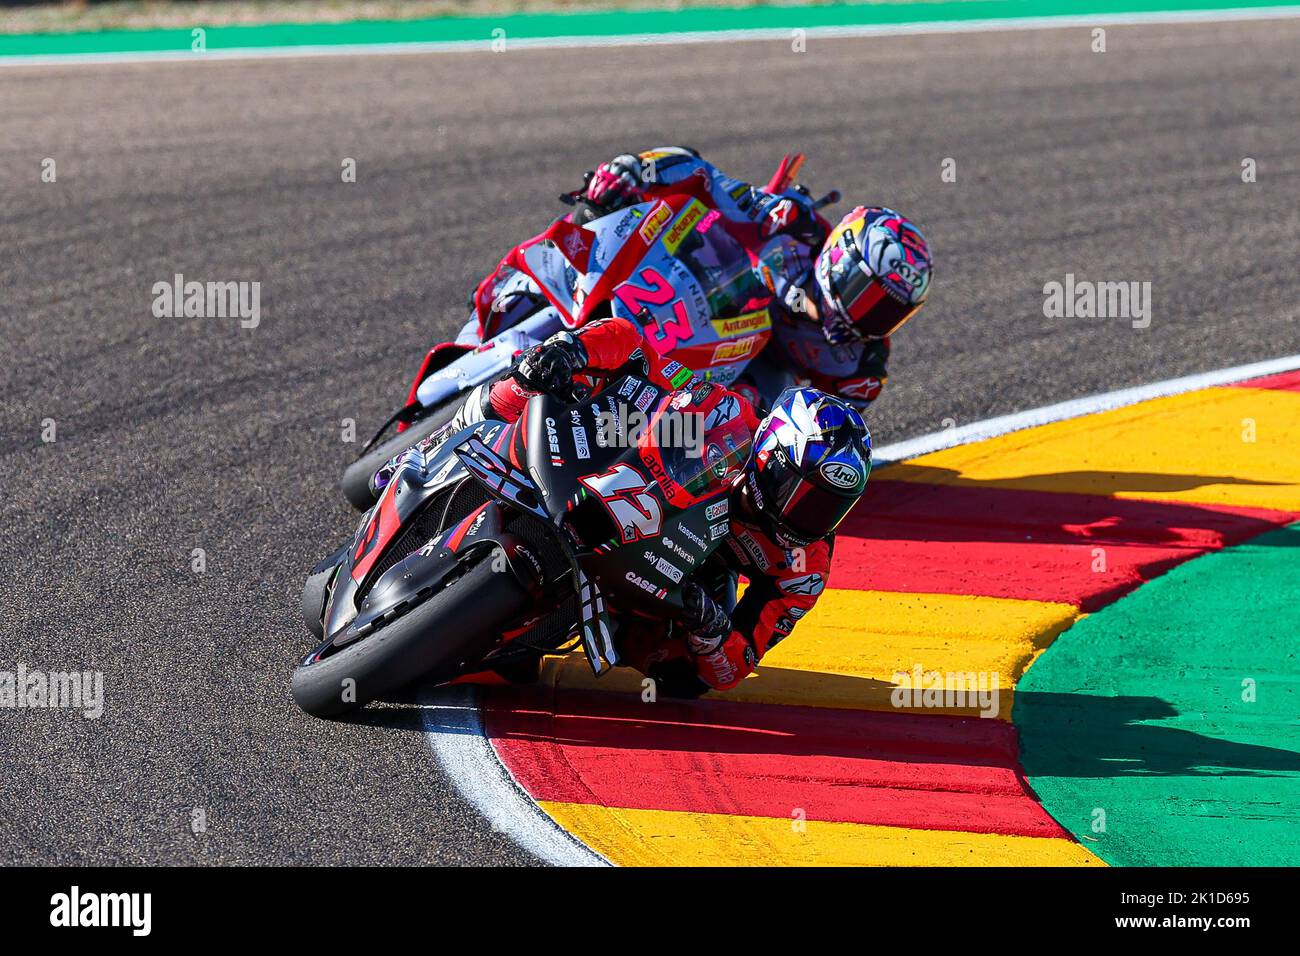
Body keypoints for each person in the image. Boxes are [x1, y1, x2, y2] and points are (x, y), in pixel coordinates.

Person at [385, 315, 872, 697]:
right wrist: (572, 351)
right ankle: (432, 452)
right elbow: (636, 347)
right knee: (525, 383)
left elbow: (735, 666)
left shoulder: (804, 567)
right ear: (769, 457)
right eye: (801, 490)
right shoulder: (725, 412)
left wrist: (710, 629)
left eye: (828, 507)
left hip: (682, 573)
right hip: (623, 475)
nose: (804, 515)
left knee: (683, 681)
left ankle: (533, 627)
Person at [564, 146, 934, 413]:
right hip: (696, 300)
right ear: (840, 261)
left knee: (758, 411)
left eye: (890, 312)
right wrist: (634, 169)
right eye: (867, 296)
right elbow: (703, 175)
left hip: (752, 370)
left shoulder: (862, 366)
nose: (870, 319)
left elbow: (832, 436)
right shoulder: (794, 226)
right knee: (608, 212)